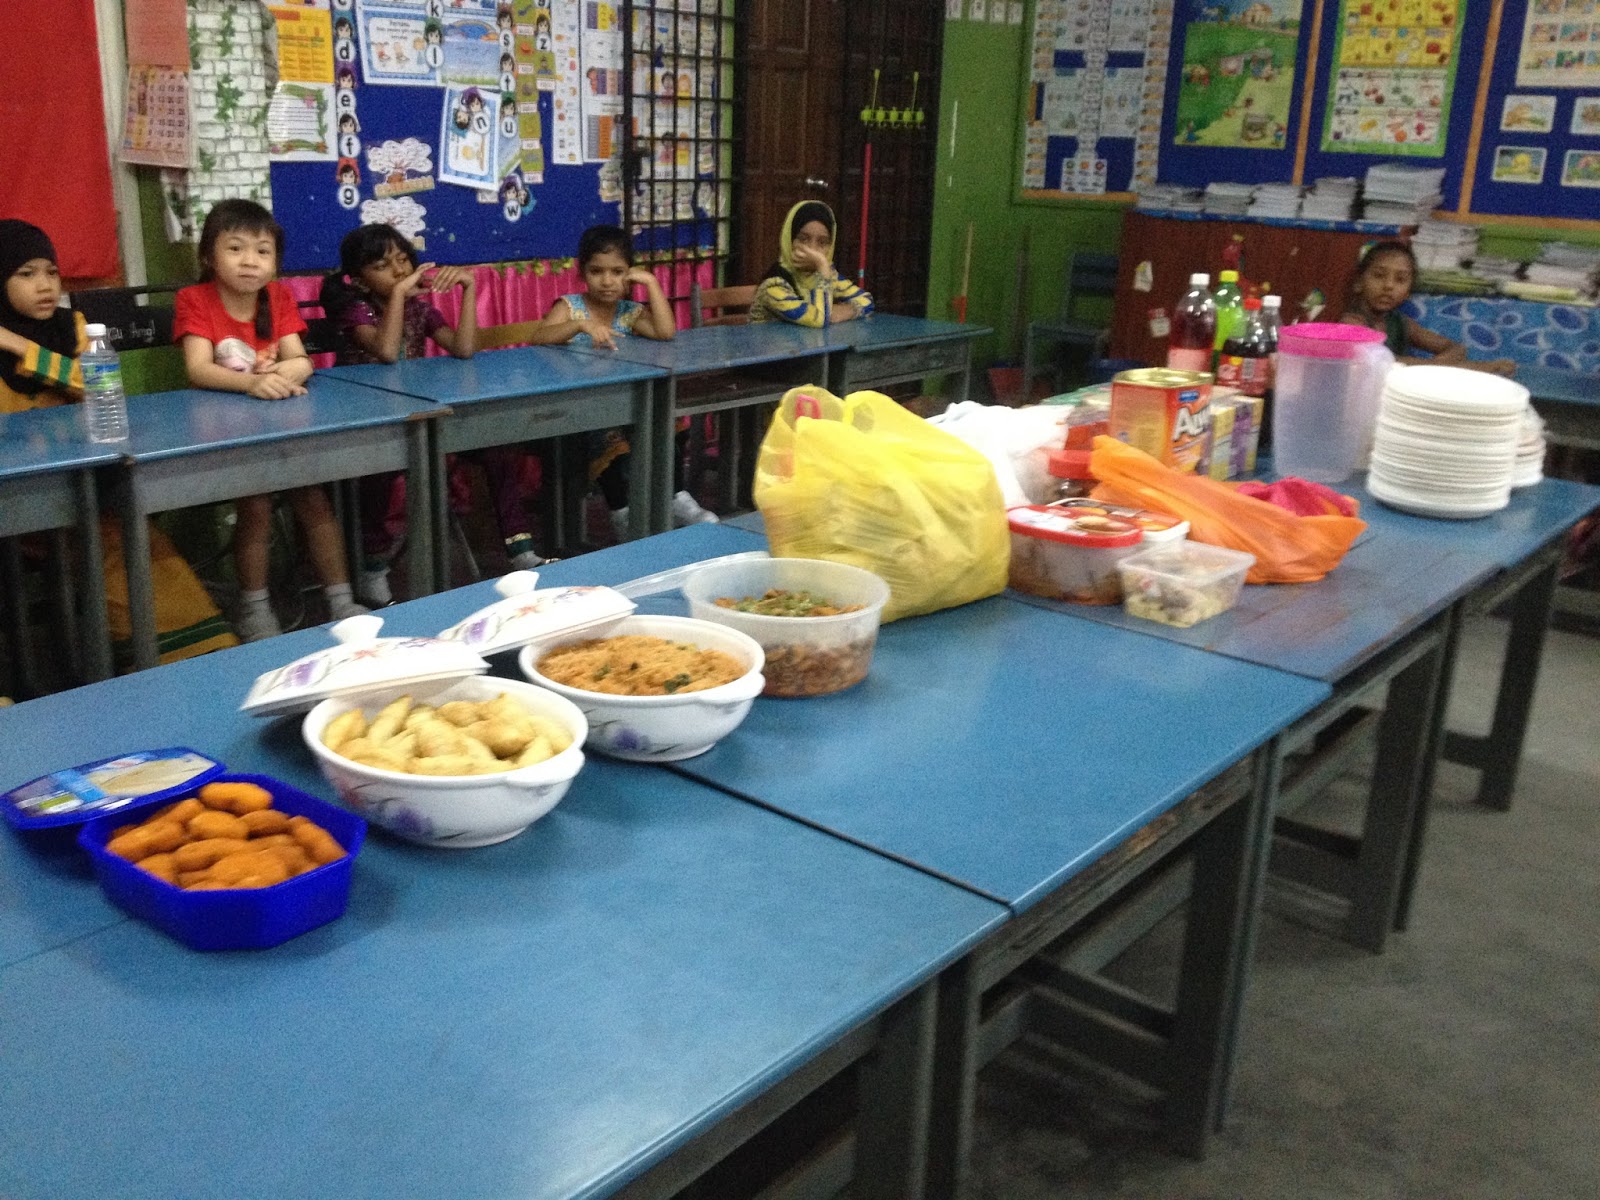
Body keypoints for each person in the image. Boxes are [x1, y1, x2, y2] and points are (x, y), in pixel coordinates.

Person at [0, 218, 237, 665]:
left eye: (51, 272)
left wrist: (19, 347)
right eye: (26, 274)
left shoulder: (73, 326)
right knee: (111, 545)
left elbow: (100, 389)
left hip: (86, 485)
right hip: (20, 498)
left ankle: (200, 655)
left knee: (132, 539)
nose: (45, 285)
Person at [319, 223, 546, 604]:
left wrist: (470, 290)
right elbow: (387, 351)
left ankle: (518, 547)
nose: (398, 271)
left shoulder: (419, 311)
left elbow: (463, 348)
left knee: (494, 445)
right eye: (382, 265)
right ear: (358, 280)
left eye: (403, 260)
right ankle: (374, 567)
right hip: (368, 422)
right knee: (385, 475)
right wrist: (401, 294)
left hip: (421, 418)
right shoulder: (355, 312)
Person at [174, 199, 366, 642]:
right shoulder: (194, 299)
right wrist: (253, 385)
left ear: (275, 262)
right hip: (225, 425)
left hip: (283, 419)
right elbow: (199, 369)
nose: (249, 261)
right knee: (256, 506)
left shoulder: (277, 297)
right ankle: (255, 608)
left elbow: (299, 359)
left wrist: (287, 372)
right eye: (235, 248)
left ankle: (340, 599)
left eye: (262, 252)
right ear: (208, 256)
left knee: (313, 498)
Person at [530, 224, 716, 531]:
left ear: (629, 274)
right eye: (596, 271)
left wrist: (652, 284)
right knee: (606, 436)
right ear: (583, 272)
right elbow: (539, 337)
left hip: (627, 403)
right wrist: (579, 326)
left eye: (617, 272)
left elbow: (665, 332)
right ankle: (621, 512)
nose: (606, 281)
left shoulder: (630, 312)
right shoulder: (569, 307)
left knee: (667, 420)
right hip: (582, 407)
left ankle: (676, 497)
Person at [1340, 241, 1515, 375]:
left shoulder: (1400, 323)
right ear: (1358, 283)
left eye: (1400, 279)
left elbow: (1456, 348)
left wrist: (1439, 365)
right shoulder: (1352, 324)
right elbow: (1388, 365)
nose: (1389, 286)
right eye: (1379, 276)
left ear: (1408, 292)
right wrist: (1482, 368)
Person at [749, 201, 874, 327]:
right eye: (803, 239)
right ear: (789, 240)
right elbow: (819, 320)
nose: (813, 250)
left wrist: (849, 311)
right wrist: (822, 265)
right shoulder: (773, 286)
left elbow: (867, 300)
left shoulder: (826, 275)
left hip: (809, 345)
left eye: (822, 242)